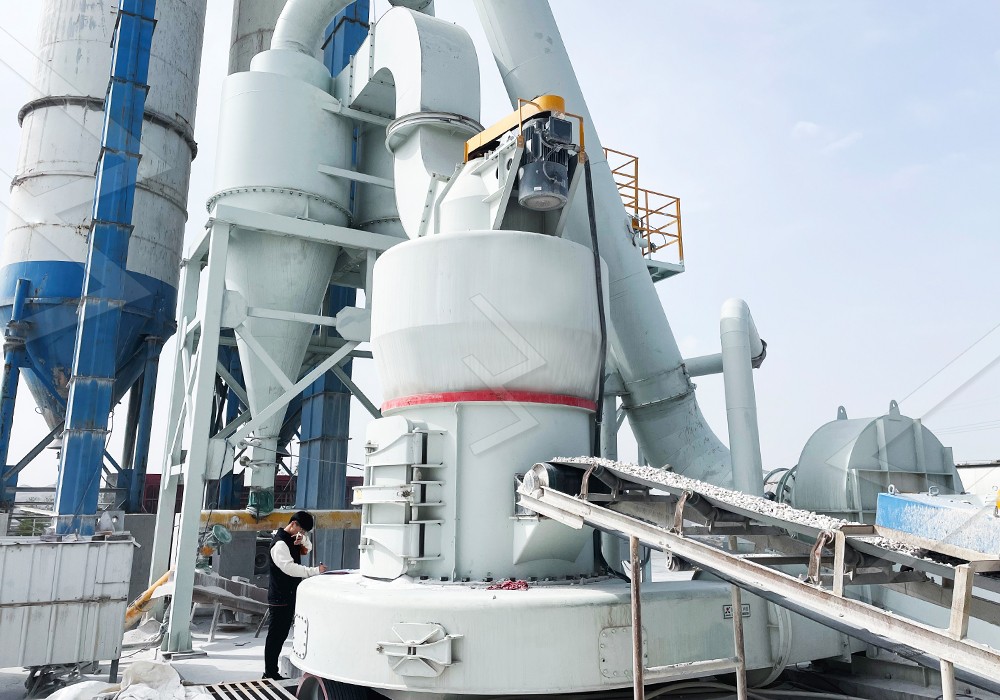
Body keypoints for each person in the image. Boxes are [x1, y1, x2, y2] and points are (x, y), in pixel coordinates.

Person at [263, 510, 326, 680]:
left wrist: (303, 540)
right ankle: (269, 673)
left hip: (288, 594)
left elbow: (309, 547)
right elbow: (289, 568)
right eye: (302, 531)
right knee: (276, 636)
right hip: (279, 596)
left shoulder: (292, 539)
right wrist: (313, 571)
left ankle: (271, 672)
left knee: (281, 635)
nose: (302, 534)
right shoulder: (280, 545)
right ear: (294, 524)